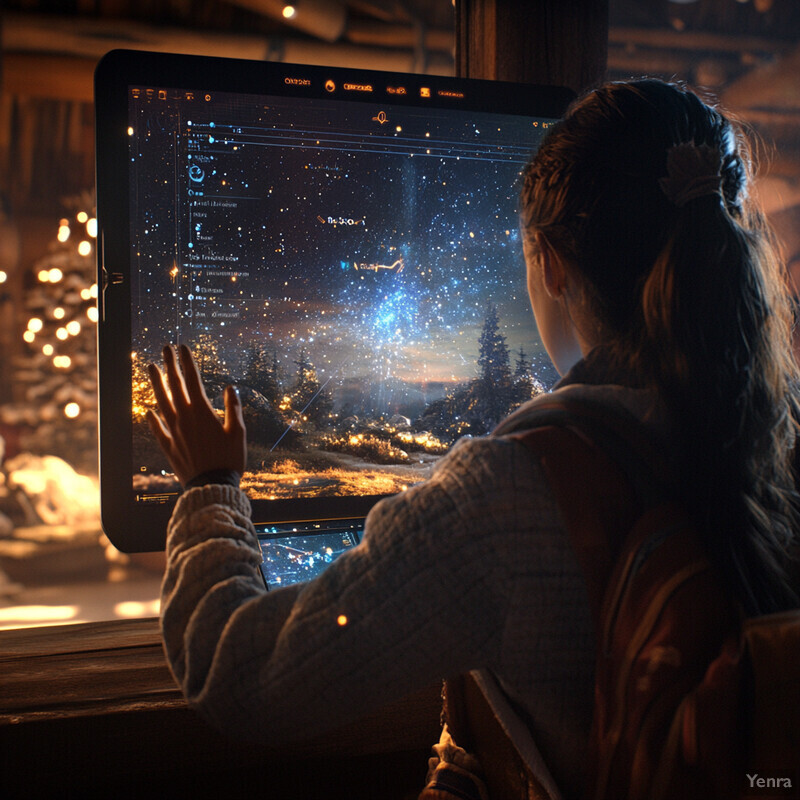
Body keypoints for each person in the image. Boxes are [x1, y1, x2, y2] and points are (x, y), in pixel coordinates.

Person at [147, 79, 800, 798]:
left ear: (550, 263)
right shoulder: (775, 440)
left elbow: (239, 674)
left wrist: (209, 490)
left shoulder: (510, 493)